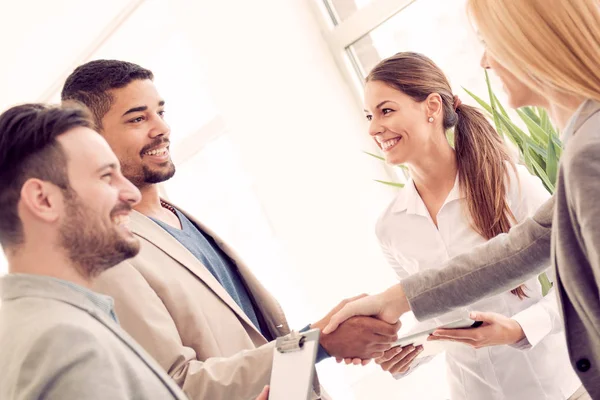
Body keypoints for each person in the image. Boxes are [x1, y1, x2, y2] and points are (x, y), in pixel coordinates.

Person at [61, 59, 401, 400]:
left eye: (160, 112)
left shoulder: (177, 215)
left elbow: (256, 338)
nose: (160, 128)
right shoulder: (106, 254)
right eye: (137, 118)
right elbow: (176, 384)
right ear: (91, 139)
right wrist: (317, 343)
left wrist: (329, 336)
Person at [324, 1, 600, 398]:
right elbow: (523, 248)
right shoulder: (389, 225)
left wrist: (520, 328)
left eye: (491, 43)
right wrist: (402, 331)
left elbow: (534, 252)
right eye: (370, 115)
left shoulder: (579, 153)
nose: (485, 61)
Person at [0, 103, 188, 400]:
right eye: (105, 176)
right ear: (44, 200)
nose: (132, 193)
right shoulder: (66, 342)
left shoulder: (30, 325)